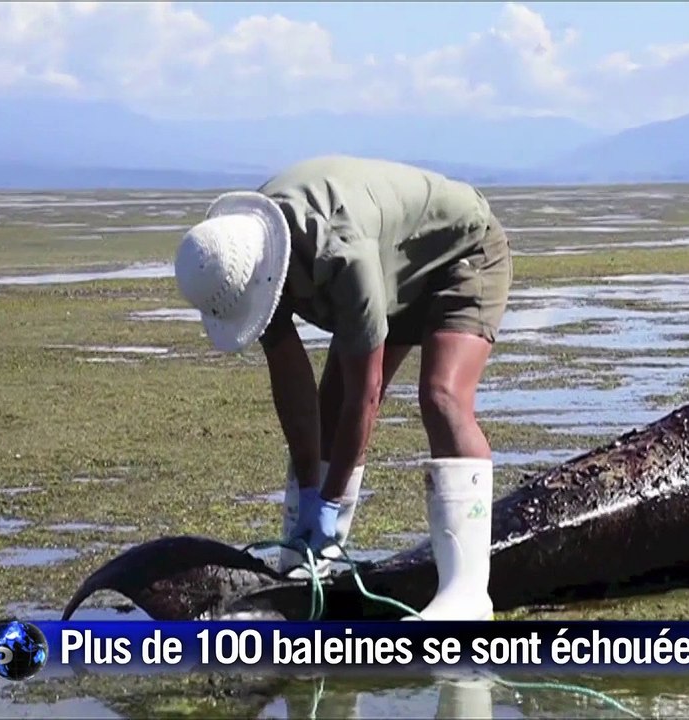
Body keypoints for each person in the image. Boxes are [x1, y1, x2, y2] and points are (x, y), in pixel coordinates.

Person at [172, 155, 512, 621]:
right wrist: (308, 494)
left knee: (441, 397)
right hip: (392, 260)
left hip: (462, 251)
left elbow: (366, 396)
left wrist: (329, 504)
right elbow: (293, 385)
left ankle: (468, 593)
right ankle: (310, 564)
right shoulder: (242, 251)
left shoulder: (342, 256)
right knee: (328, 412)